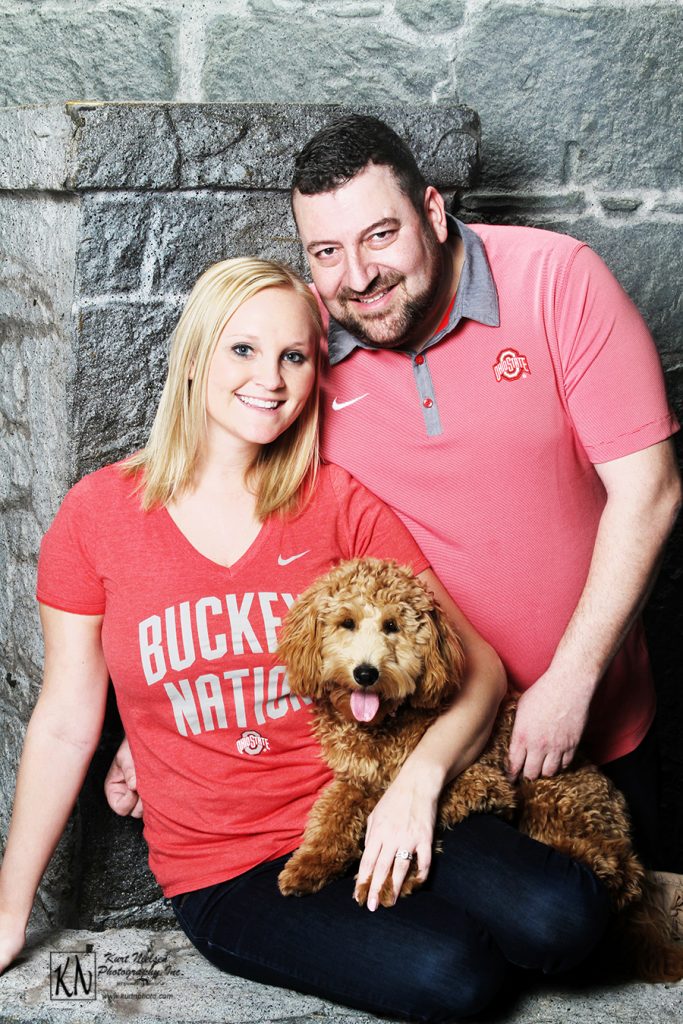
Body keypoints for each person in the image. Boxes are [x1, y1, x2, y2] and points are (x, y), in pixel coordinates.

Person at [0, 256, 612, 1020]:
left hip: (367, 803)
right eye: (244, 350)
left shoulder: (337, 503)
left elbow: (480, 669)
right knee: (453, 977)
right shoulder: (97, 516)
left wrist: (415, 789)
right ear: (195, 357)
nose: (271, 378)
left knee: (568, 917)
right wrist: (8, 908)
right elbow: (63, 722)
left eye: (294, 356)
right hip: (228, 869)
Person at [110, 115, 681, 866]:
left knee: (633, 946)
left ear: (434, 214)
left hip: (587, 722)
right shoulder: (299, 351)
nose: (356, 276)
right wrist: (159, 719)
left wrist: (571, 681)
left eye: (380, 235)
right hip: (417, 742)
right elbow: (242, 526)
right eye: (326, 252)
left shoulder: (557, 280)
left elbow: (652, 490)